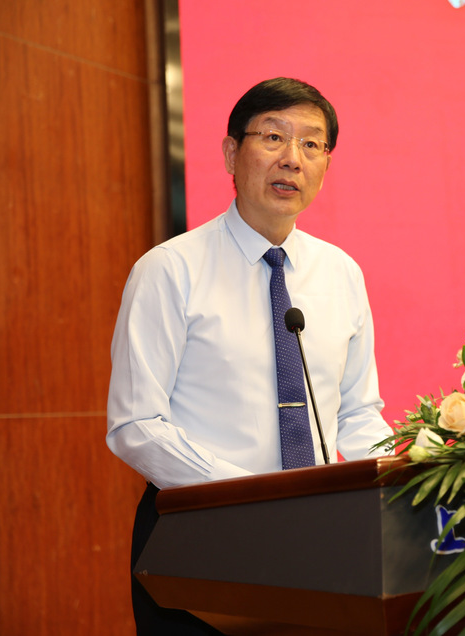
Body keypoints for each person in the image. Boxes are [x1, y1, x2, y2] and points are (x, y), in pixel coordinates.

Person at [106, 77, 392, 635]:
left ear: (326, 164)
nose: (292, 158)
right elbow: (136, 424)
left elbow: (358, 413)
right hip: (198, 536)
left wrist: (403, 482)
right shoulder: (170, 269)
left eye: (311, 144)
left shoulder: (341, 273)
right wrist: (254, 501)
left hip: (318, 539)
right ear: (231, 153)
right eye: (273, 137)